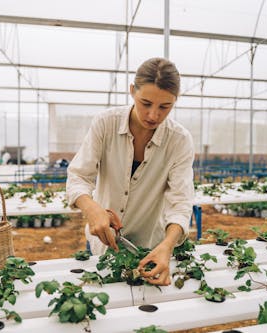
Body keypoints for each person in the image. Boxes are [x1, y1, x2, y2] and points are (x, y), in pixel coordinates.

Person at [66, 57, 194, 286]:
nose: (153, 115)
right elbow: (78, 175)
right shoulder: (106, 124)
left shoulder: (179, 141)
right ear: (132, 91)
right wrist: (91, 207)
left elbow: (181, 203)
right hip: (102, 244)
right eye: (146, 103)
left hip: (151, 248)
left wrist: (167, 246)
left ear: (175, 100)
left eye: (165, 107)